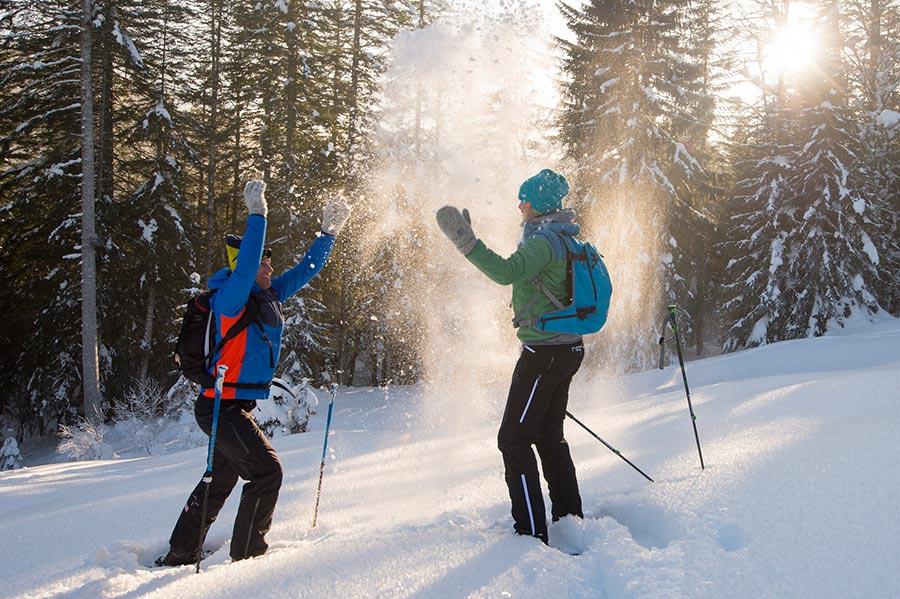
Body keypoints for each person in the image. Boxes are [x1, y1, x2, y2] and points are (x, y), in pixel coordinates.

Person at [157, 180, 351, 565]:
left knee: (224, 476)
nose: (270, 266)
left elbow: (304, 271)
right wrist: (257, 214)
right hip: (219, 406)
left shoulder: (269, 295)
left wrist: (328, 234)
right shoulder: (231, 297)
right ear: (243, 266)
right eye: (263, 260)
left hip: (234, 406)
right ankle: (248, 558)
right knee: (267, 472)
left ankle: (182, 550)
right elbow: (245, 263)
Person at [436, 169, 586, 548]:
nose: (520, 205)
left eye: (525, 199)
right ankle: (570, 519)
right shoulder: (565, 237)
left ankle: (531, 534)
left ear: (536, 204)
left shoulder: (543, 242)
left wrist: (467, 242)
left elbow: (506, 272)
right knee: (548, 436)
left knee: (514, 440)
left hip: (544, 355)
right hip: (566, 350)